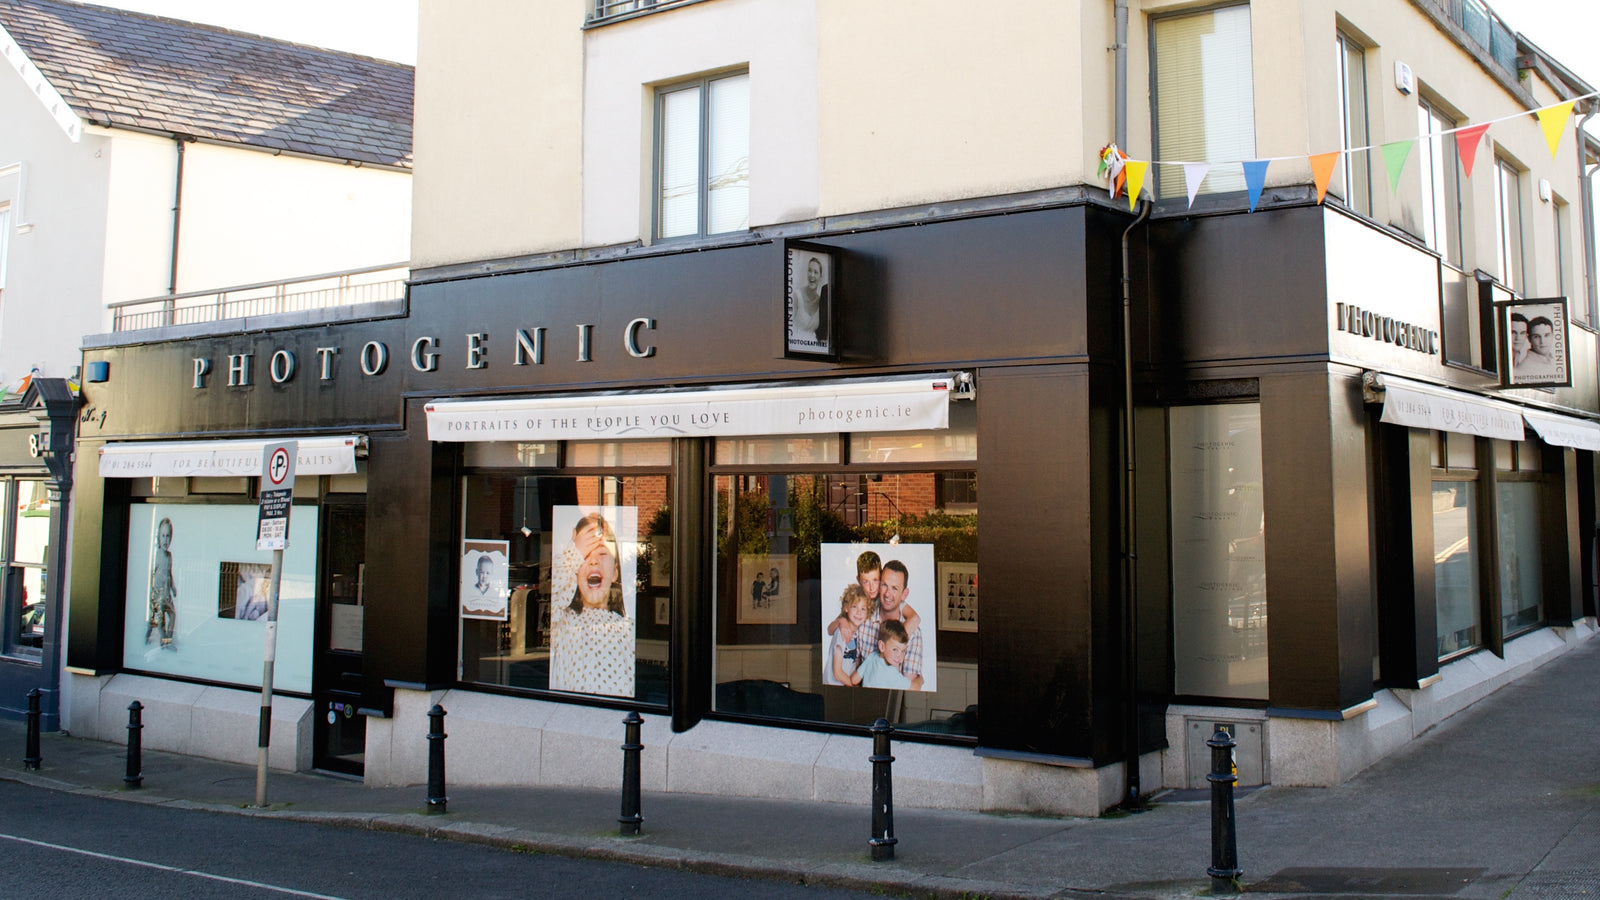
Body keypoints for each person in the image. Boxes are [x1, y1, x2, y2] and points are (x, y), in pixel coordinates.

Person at [549, 512, 634, 697]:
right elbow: (553, 589)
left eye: (602, 553)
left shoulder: (628, 628)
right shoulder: (562, 621)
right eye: (585, 555)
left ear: (615, 573)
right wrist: (574, 553)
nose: (594, 559)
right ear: (574, 572)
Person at [856, 559, 925, 689]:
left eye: (894, 588)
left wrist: (918, 680)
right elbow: (854, 668)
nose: (888, 594)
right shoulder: (862, 617)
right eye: (884, 585)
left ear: (904, 594)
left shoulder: (914, 633)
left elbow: (908, 685)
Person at [823, 584, 873, 686]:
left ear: (867, 613)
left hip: (845, 685)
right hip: (833, 685)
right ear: (846, 608)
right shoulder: (842, 632)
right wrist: (853, 687)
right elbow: (837, 673)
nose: (859, 613)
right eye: (854, 607)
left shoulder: (858, 634)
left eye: (863, 609)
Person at [146, 517, 177, 648]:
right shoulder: (156, 555)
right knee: (156, 623)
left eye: (168, 536)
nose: (165, 540)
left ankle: (167, 641)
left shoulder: (169, 556)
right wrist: (151, 596)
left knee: (172, 615)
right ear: (158, 537)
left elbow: (169, 574)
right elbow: (151, 575)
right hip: (157, 595)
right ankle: (151, 639)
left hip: (166, 595)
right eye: (163, 536)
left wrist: (173, 588)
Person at [856, 619, 912, 690]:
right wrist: (920, 680)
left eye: (903, 651)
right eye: (895, 650)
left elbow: (854, 680)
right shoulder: (892, 673)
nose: (899, 656)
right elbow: (914, 688)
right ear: (882, 646)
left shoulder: (872, 656)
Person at [790, 255, 830, 345]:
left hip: (812, 348)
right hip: (795, 346)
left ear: (821, 276)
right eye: (809, 270)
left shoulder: (821, 300)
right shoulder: (797, 296)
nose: (812, 275)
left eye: (815, 272)